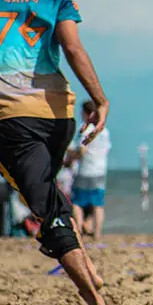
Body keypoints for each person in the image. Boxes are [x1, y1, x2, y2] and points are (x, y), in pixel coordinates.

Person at [0, 0, 108, 305]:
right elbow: (73, 49)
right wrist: (100, 100)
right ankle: (90, 269)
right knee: (48, 192)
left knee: (46, 210)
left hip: (11, 119)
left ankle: (93, 298)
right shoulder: (57, 4)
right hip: (59, 117)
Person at [67, 100, 111, 240]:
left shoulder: (86, 129)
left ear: (87, 114)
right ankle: (97, 234)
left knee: (77, 202)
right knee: (98, 204)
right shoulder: (104, 130)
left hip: (86, 170)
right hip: (100, 170)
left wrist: (69, 155)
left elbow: (81, 152)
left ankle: (79, 230)